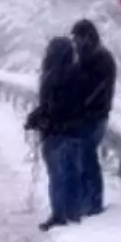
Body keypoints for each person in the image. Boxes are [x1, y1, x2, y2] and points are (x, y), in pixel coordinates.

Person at [24, 36, 87, 231]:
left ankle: (59, 215)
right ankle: (74, 212)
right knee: (73, 174)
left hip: (55, 134)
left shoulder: (51, 77)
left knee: (57, 176)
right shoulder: (80, 75)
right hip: (76, 132)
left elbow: (49, 107)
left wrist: (35, 119)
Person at [71, 18, 117, 216]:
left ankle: (93, 202)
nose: (75, 42)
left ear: (88, 36)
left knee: (87, 157)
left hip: (96, 116)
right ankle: (84, 201)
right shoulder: (84, 57)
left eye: (78, 38)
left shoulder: (101, 59)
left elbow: (96, 89)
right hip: (83, 116)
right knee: (82, 158)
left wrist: (82, 105)